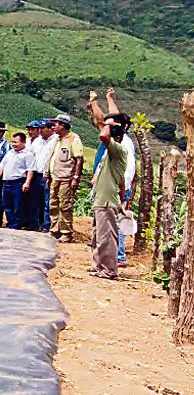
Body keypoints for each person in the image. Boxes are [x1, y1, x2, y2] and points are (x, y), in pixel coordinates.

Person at [87, 90, 136, 265]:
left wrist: (123, 193)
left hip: (114, 191)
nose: (105, 126)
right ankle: (103, 260)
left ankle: (118, 256)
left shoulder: (123, 145)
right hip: (106, 190)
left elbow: (127, 173)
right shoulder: (114, 143)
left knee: (114, 225)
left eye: (111, 125)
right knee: (102, 227)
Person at [91, 113, 129, 279]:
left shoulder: (118, 149)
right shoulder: (112, 153)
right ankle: (99, 266)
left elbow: (103, 135)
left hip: (106, 201)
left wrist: (107, 124)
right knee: (100, 236)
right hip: (104, 199)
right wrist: (121, 199)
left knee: (106, 237)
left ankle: (109, 270)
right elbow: (121, 182)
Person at [48, 114, 85, 243]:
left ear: (63, 125)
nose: (53, 126)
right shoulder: (57, 140)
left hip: (66, 177)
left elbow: (79, 159)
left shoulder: (73, 139)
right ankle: (54, 230)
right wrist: (48, 175)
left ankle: (66, 232)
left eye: (56, 124)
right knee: (53, 204)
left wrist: (75, 177)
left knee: (65, 205)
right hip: (55, 177)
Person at [0, 132, 35, 230]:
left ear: (23, 143)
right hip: (6, 182)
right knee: (6, 204)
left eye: (16, 142)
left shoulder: (28, 154)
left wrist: (27, 183)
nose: (13, 144)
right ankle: (10, 223)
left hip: (18, 182)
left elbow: (30, 169)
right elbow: (2, 165)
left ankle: (17, 225)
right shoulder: (10, 152)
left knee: (18, 205)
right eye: (12, 142)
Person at [33, 120, 59, 232]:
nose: (40, 131)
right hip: (35, 174)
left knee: (47, 201)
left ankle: (46, 224)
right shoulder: (37, 141)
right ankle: (37, 223)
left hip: (47, 175)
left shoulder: (56, 140)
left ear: (50, 128)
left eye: (42, 128)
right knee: (36, 201)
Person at [23, 120, 48, 231]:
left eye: (32, 129)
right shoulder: (27, 141)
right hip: (27, 173)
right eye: (29, 129)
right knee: (30, 200)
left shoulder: (41, 141)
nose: (30, 131)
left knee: (41, 201)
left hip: (38, 173)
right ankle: (31, 222)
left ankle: (41, 223)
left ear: (38, 130)